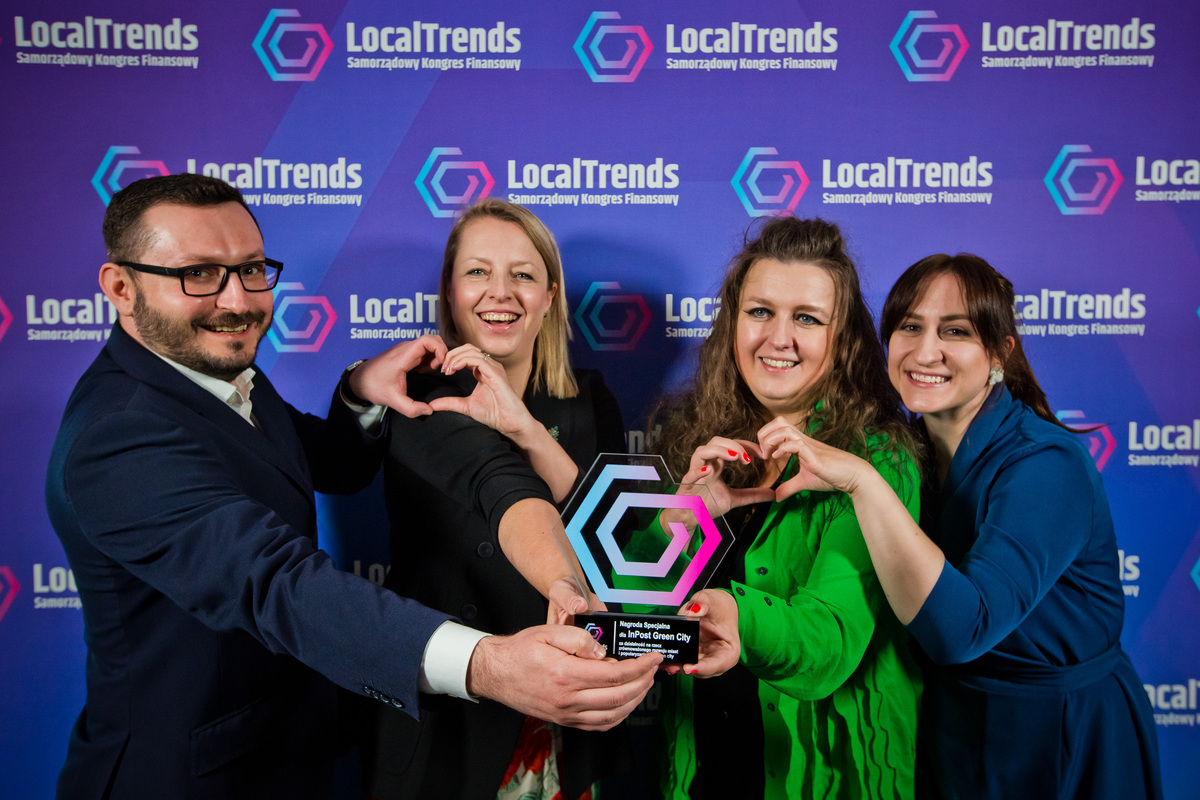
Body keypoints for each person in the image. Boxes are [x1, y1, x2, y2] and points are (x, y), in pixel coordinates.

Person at [44, 174, 661, 800]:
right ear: (121, 288)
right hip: (188, 776)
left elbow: (331, 463)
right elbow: (280, 586)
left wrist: (359, 388)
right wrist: (489, 664)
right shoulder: (119, 434)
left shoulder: (225, 378)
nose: (236, 298)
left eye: (251, 269)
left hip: (287, 755)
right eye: (197, 274)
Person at [769, 253, 1163, 799]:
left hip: (1058, 735)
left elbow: (961, 632)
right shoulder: (903, 449)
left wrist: (862, 482)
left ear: (1000, 352)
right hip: (950, 725)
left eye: (955, 331)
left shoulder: (1047, 464)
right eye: (910, 327)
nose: (925, 351)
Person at [360, 198, 628, 800]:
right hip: (444, 714)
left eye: (523, 274)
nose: (499, 292)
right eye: (477, 271)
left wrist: (526, 431)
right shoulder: (407, 394)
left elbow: (618, 540)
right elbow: (340, 459)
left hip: (557, 711)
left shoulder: (588, 399)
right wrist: (355, 378)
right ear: (450, 291)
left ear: (550, 296)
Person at [646, 216, 922, 799]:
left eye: (807, 318)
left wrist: (733, 613)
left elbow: (829, 641)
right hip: (704, 772)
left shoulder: (878, 462)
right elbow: (636, 615)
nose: (778, 338)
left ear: (842, 339)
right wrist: (677, 523)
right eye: (760, 311)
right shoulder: (698, 437)